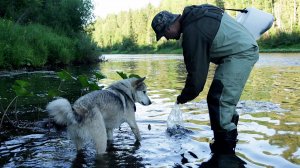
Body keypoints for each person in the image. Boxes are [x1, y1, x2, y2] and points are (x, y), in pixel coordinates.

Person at [151, 4, 259, 154]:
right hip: (238, 50)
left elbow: (197, 80)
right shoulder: (196, 16)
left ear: (168, 28)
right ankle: (226, 145)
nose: (167, 39)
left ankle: (224, 152)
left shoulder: (191, 32)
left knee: (218, 100)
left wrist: (181, 98)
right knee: (220, 99)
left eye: (164, 35)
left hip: (240, 53)